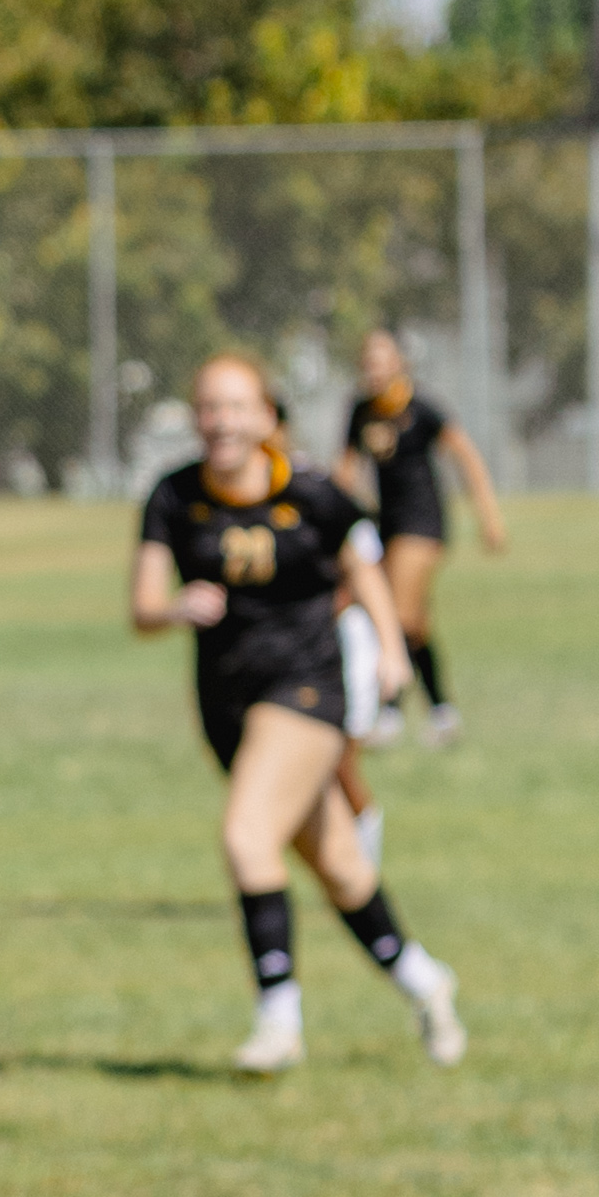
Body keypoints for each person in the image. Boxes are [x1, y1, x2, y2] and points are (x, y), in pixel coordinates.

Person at [130, 352, 467, 1073]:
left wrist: (389, 649)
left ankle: (278, 1018)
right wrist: (173, 610)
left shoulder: (311, 491)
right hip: (226, 705)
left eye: (236, 407)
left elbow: (360, 562)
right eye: (209, 408)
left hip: (306, 690)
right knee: (342, 869)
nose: (221, 422)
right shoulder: (173, 496)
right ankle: (426, 981)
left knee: (248, 837)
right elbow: (141, 609)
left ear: (264, 416)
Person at [336, 322, 507, 743]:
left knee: (396, 615)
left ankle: (389, 713)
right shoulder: (362, 411)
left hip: (424, 523)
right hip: (386, 526)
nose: (372, 368)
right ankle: (442, 712)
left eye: (380, 359)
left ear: (399, 363)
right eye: (367, 361)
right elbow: (346, 470)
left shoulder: (422, 409)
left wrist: (489, 516)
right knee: (412, 624)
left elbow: (466, 457)